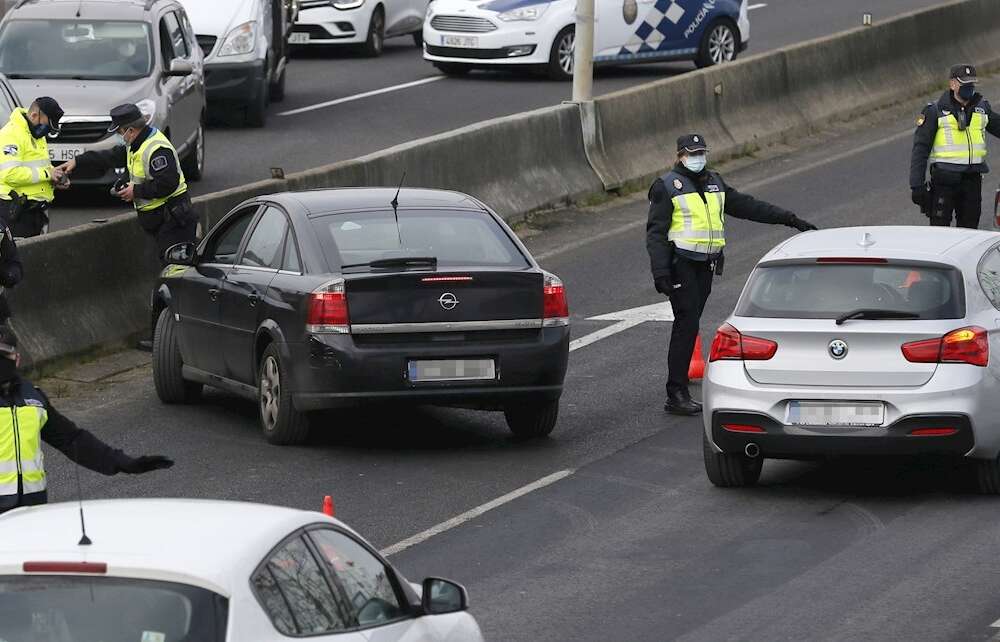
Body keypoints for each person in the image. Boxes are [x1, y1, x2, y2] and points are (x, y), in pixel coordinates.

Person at [647, 134, 818, 416]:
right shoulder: (667, 186)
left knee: (690, 322)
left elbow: (748, 206)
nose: (698, 157)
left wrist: (789, 218)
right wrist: (661, 270)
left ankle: (678, 386)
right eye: (692, 153)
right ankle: (675, 392)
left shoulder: (714, 182)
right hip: (682, 264)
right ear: (680, 156)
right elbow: (655, 233)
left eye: (701, 152)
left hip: (706, 265)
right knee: (686, 323)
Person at [0, 325, 173, 516]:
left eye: (3, 356)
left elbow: (72, 439)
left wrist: (122, 462)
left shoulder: (33, 398)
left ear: (17, 359)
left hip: (33, 509)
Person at [61, 103, 197, 261]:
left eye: (119, 132)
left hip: (174, 223)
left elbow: (168, 183)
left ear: (130, 131)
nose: (120, 136)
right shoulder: (136, 144)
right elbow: (111, 156)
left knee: (176, 272)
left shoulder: (156, 149)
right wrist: (78, 161)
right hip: (161, 223)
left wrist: (136, 191)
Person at [910, 64, 1000, 228]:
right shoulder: (935, 111)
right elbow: (920, 149)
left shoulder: (981, 108)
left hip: (972, 181)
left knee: (970, 235)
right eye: (964, 83)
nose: (969, 87)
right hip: (944, 181)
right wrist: (917, 185)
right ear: (952, 84)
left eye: (971, 83)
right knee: (940, 236)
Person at [0, 97, 70, 237]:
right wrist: (47, 174)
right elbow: (10, 174)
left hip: (34, 211)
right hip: (15, 211)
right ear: (34, 115)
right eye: (47, 125)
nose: (47, 131)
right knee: (19, 256)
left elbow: (39, 164)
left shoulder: (35, 134)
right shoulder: (11, 134)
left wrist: (55, 176)